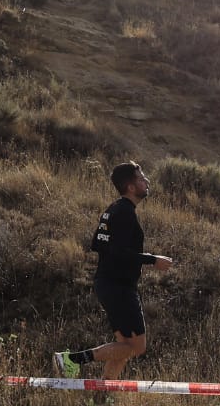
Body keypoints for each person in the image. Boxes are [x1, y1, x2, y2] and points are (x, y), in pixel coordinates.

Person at [54, 161, 174, 380]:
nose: (146, 181)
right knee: (137, 347)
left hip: (109, 284)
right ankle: (72, 360)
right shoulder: (125, 213)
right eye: (141, 178)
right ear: (130, 186)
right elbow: (118, 252)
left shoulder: (114, 210)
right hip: (119, 288)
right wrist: (152, 259)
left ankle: (101, 397)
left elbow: (99, 245)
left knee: (124, 346)